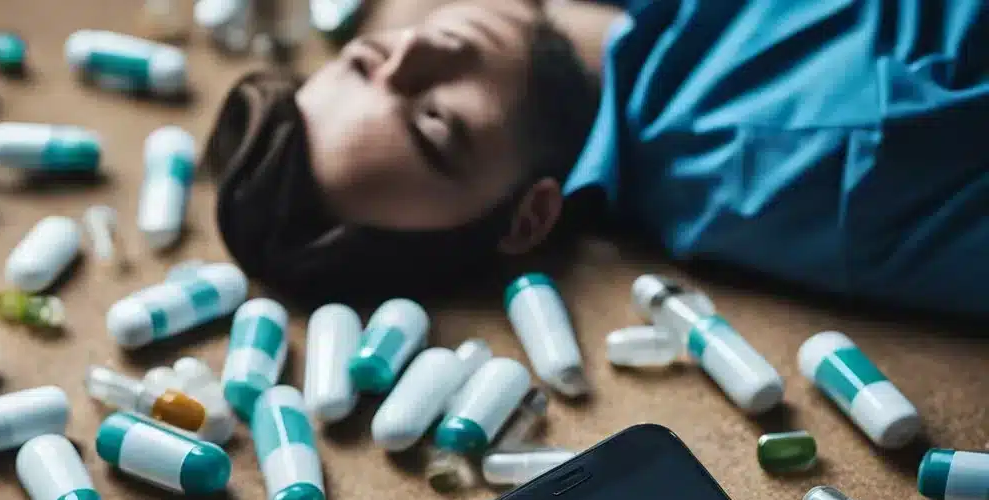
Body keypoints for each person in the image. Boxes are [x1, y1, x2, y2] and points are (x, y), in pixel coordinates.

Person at [208, 0, 989, 317]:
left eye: (370, 60)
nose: (422, 46)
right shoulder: (829, 157)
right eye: (438, 123)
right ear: (530, 216)